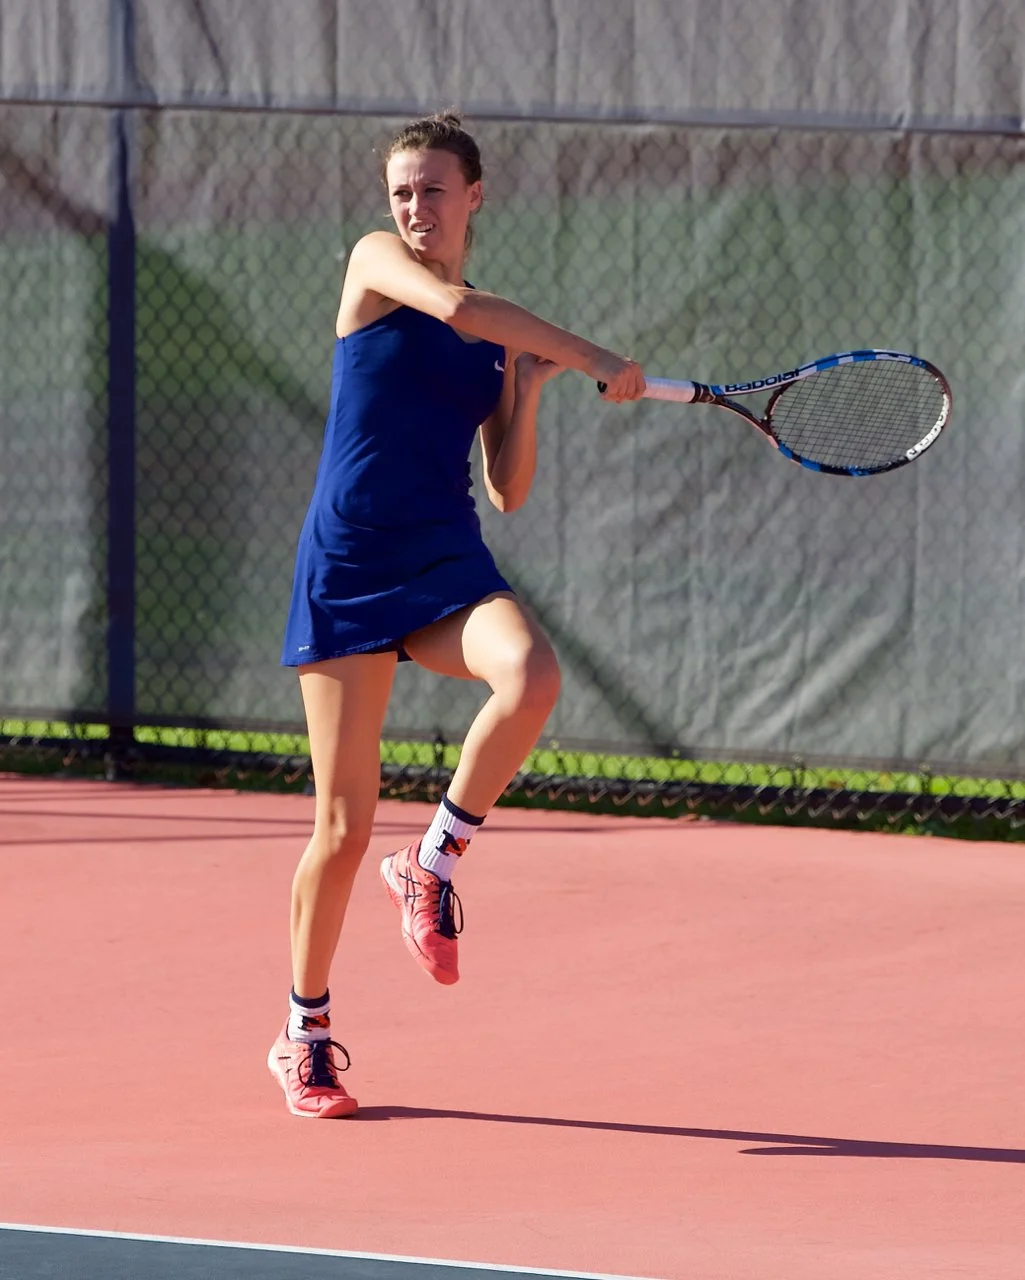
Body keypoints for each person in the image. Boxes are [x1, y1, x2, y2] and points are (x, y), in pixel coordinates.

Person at [267, 110, 646, 1118]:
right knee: (340, 827)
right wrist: (592, 352)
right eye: (402, 191)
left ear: (473, 196)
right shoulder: (378, 265)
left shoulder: (495, 344)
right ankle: (305, 1034)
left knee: (532, 674)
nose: (414, 207)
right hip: (349, 564)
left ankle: (431, 860)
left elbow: (507, 488)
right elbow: (456, 305)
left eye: (432, 189)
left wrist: (532, 387)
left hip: (442, 560)